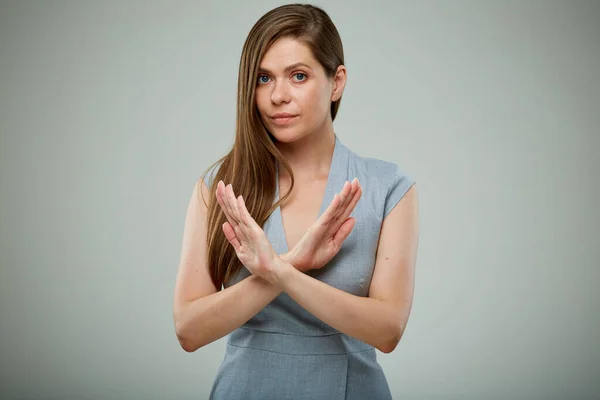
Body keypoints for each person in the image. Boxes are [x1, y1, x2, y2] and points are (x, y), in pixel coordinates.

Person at [173, 3, 419, 399]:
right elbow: (188, 329)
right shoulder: (220, 186)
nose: (277, 96)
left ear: (336, 82)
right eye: (263, 78)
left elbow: (388, 330)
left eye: (298, 76)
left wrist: (282, 272)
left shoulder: (388, 187)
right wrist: (292, 263)